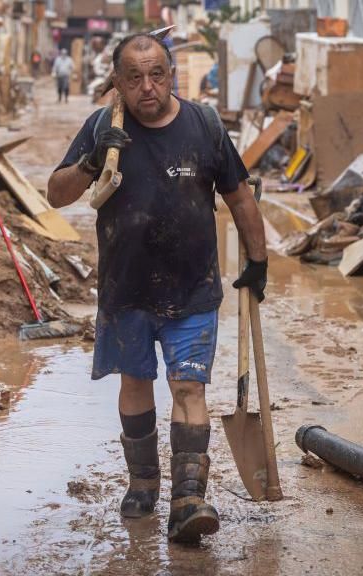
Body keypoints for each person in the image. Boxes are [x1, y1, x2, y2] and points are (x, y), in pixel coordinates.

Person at [46, 33, 267, 543]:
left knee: (189, 387)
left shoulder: (204, 126)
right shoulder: (105, 125)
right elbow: (56, 195)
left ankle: (189, 497)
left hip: (193, 289)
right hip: (126, 290)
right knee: (135, 384)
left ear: (171, 74)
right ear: (119, 83)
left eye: (157, 75)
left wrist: (258, 260)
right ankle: (143, 480)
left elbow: (239, 197)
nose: (147, 87)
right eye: (134, 78)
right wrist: (90, 161)